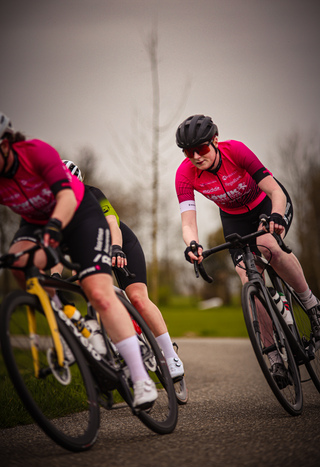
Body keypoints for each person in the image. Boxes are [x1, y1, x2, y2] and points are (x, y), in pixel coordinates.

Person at [0, 112, 157, 409]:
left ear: (6, 144)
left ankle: (141, 379)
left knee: (98, 291)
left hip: (79, 213)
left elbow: (68, 198)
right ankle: (65, 318)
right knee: (18, 263)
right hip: (35, 221)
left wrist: (54, 229)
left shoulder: (36, 153)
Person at [175, 114, 320, 382]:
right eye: (187, 151)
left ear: (215, 141)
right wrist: (192, 244)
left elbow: (276, 191)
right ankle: (275, 358)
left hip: (268, 203)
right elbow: (188, 223)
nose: (195, 156)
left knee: (267, 244)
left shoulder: (236, 151)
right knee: (247, 279)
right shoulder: (184, 174)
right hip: (234, 218)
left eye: (202, 148)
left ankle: (312, 306)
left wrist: (276, 216)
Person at [59, 160, 184, 380]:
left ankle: (170, 353)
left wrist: (116, 248)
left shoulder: (93, 194)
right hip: (91, 252)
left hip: (121, 243)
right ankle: (125, 341)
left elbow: (111, 224)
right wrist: (54, 277)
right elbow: (56, 248)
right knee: (92, 292)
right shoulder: (57, 209)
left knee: (137, 298)